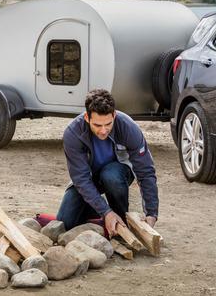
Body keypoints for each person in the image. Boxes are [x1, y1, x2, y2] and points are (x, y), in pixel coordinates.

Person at [56, 89, 159, 234]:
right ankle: (102, 212)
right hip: (90, 178)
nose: (104, 131)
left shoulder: (128, 127)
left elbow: (146, 172)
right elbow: (81, 179)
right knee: (66, 222)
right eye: (97, 125)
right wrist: (105, 211)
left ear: (114, 115)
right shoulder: (73, 133)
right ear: (87, 117)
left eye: (108, 124)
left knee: (110, 175)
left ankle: (122, 220)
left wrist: (151, 213)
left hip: (118, 174)